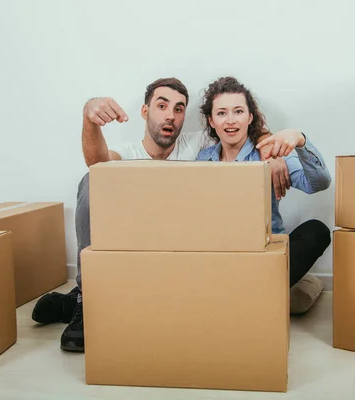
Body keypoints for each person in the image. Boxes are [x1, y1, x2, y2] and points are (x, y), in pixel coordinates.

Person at [31, 77, 293, 353]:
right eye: (162, 105)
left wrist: (270, 150)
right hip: (132, 252)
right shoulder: (128, 153)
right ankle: (85, 301)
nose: (171, 115)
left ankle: (70, 303)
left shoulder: (202, 144)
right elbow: (97, 164)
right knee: (91, 179)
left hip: (177, 259)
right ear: (145, 112)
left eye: (179, 109)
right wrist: (89, 117)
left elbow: (240, 125)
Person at [196, 76, 332, 289]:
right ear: (212, 121)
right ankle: (253, 290)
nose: (230, 120)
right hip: (224, 254)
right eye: (222, 113)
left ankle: (260, 290)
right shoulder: (204, 160)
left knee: (317, 231)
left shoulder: (271, 154)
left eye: (238, 111)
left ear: (250, 117)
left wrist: (300, 139)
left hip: (267, 253)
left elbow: (318, 184)